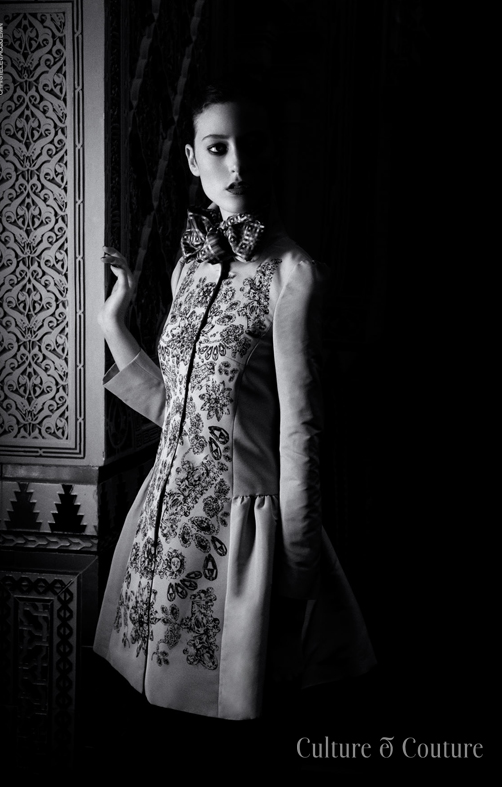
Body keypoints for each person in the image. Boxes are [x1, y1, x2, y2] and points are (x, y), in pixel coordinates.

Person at [93, 81, 375, 750]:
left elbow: (300, 431)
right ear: (193, 160)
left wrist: (297, 569)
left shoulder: (293, 273)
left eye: (252, 145)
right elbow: (178, 409)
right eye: (218, 147)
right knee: (150, 732)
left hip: (241, 543)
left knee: (231, 736)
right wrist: (113, 324)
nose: (236, 163)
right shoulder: (187, 270)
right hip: (160, 531)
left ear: (273, 155)